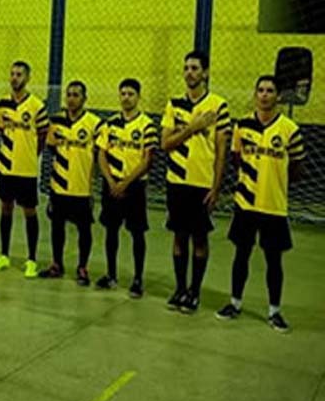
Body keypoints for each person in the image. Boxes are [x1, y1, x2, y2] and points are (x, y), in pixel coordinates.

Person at [216, 76, 306, 332]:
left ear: (277, 96)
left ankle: (274, 310)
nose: (265, 95)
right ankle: (234, 302)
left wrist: (274, 183)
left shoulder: (289, 129)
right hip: (245, 203)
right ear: (255, 94)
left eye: (270, 91)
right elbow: (236, 159)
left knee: (273, 261)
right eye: (261, 90)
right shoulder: (241, 126)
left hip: (274, 206)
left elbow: (298, 168)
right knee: (241, 255)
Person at [161, 50, 231, 313]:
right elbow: (166, 143)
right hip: (176, 181)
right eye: (186, 67)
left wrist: (216, 187)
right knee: (179, 236)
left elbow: (221, 151)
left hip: (202, 183)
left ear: (206, 72)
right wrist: (192, 127)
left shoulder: (218, 105)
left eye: (195, 68)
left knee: (200, 238)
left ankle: (195, 291)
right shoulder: (173, 105)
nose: (189, 72)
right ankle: (180, 288)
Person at [95, 79, 157, 298]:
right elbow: (101, 153)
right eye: (123, 93)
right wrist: (112, 182)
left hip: (135, 187)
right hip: (112, 185)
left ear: (138, 97)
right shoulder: (109, 124)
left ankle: (138, 279)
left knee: (137, 233)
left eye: (131, 93)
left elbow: (147, 160)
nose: (126, 97)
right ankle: (111, 275)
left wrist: (126, 183)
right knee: (111, 230)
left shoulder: (146, 125)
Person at [38, 81, 102, 285]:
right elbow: (50, 149)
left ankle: (82, 267)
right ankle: (56, 264)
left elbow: (99, 155)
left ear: (84, 98)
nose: (72, 98)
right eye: (69, 94)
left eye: (76, 95)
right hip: (59, 186)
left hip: (82, 187)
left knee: (84, 229)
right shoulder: (56, 120)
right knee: (57, 227)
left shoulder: (94, 123)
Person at [0, 61, 49, 277]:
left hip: (26, 169)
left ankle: (31, 259)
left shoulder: (36, 106)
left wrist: (30, 154)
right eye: (12, 74)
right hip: (5, 167)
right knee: (5, 208)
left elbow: (42, 135)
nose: (15, 78)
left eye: (19, 74)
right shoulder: (3, 103)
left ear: (28, 78)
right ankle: (4, 255)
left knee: (29, 212)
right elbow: (0, 129)